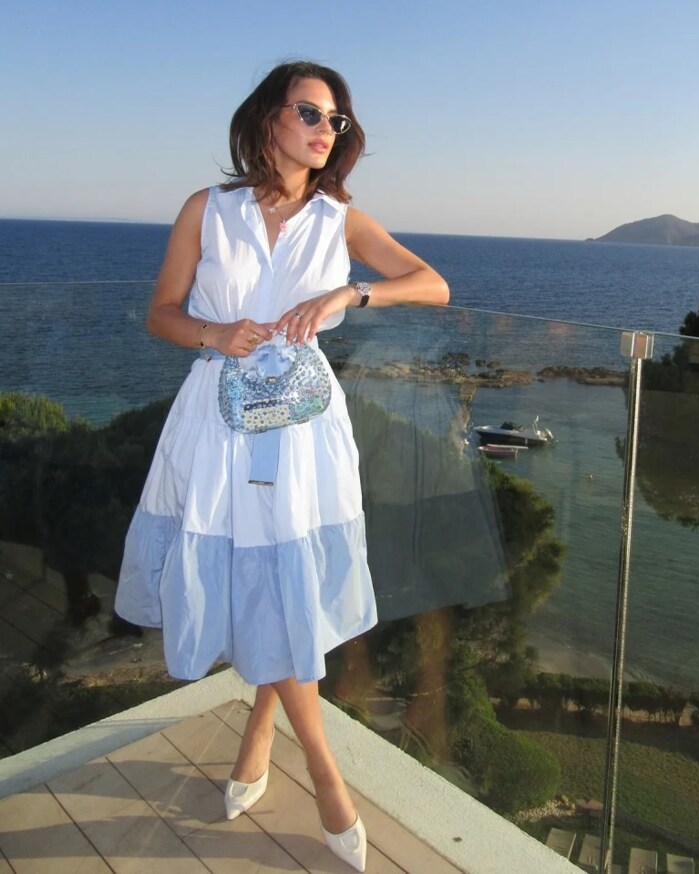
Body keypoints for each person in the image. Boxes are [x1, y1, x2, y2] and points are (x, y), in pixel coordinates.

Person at [115, 60, 448, 872]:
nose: (325, 129)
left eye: (336, 120)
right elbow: (161, 313)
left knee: (282, 577)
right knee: (260, 575)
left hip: (300, 429)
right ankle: (296, 756)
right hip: (216, 421)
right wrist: (213, 333)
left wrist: (347, 297)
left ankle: (300, 759)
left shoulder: (339, 220)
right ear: (267, 117)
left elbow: (432, 285)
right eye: (309, 111)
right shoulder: (208, 209)